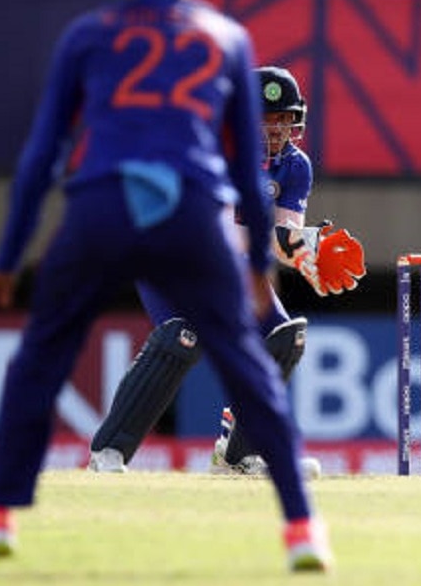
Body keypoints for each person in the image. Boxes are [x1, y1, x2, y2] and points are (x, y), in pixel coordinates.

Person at [0, 0, 332, 572]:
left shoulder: (87, 35)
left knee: (39, 357)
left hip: (101, 203)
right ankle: (302, 528)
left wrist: (7, 259)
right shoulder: (226, 38)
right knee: (245, 358)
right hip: (191, 211)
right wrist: (262, 267)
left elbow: (42, 157)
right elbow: (244, 170)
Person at [87, 65, 365, 478]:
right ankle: (107, 453)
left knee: (286, 338)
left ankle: (237, 457)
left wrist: (307, 254)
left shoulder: (294, 166)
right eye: (267, 119)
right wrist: (294, 244)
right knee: (184, 335)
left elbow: (280, 232)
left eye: (285, 119)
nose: (277, 129)